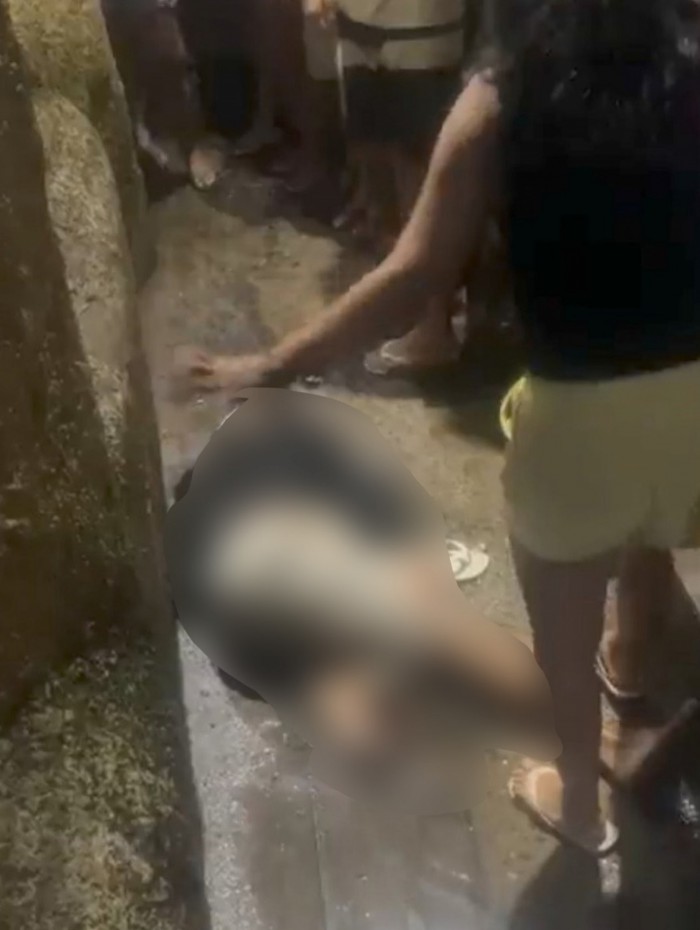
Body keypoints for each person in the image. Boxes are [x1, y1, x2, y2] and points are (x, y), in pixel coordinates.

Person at [181, 0, 700, 855]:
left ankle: (578, 804)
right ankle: (639, 651)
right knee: (653, 493)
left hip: (577, 423)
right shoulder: (688, 64)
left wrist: (273, 363)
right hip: (693, 404)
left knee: (561, 654)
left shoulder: (502, 94)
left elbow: (416, 272)